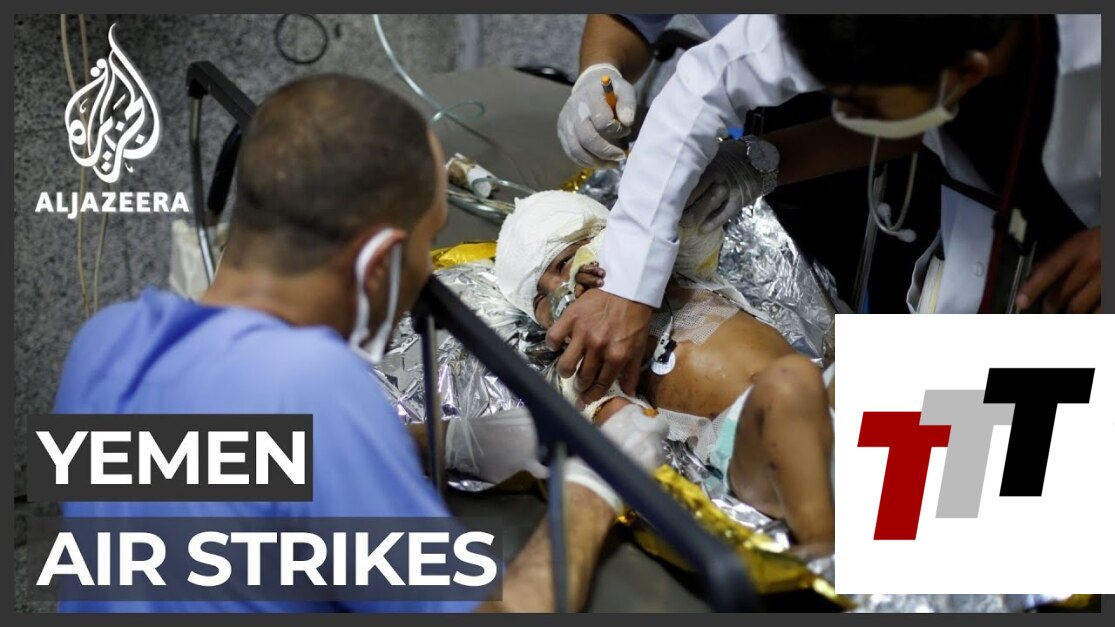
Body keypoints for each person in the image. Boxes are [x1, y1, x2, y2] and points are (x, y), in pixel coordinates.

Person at [53, 75, 667, 613]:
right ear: (378, 263)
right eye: (426, 245)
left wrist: (450, 441)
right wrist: (592, 487)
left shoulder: (105, 342)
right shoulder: (312, 387)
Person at [549, 15, 1101, 404]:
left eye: (860, 104)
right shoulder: (857, 27)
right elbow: (706, 80)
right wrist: (629, 282)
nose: (840, 115)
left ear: (967, 74)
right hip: (980, 255)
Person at [475, 190, 835, 550]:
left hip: (823, 412)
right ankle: (823, 548)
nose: (561, 291)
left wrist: (610, 266)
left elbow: (675, 218)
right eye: (541, 299)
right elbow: (619, 426)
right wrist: (597, 400)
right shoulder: (591, 364)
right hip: (751, 452)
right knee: (790, 384)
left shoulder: (684, 271)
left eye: (566, 263)